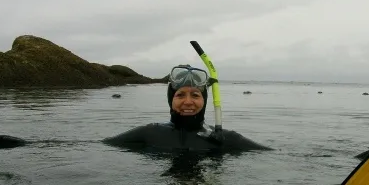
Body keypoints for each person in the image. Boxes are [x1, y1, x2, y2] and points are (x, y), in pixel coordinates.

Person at [102, 65, 271, 153]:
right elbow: (103, 145)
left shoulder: (226, 139)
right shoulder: (148, 134)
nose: (188, 102)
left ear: (204, 100)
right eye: (180, 95)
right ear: (171, 100)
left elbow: (272, 154)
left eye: (195, 95)